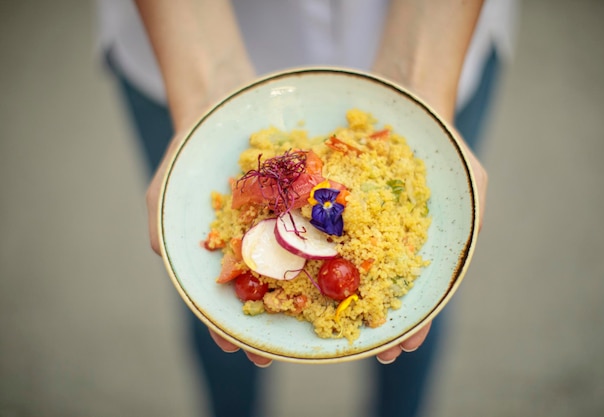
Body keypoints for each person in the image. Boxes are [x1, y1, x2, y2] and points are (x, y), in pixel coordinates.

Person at [97, 0, 517, 416]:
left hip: (438, 42)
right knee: (215, 331)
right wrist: (207, 93)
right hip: (184, 45)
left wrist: (420, 89)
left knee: (421, 323)